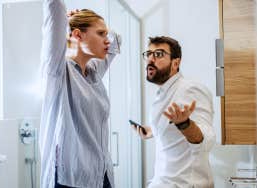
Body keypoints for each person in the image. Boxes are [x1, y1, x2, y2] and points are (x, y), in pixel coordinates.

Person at [39, 0, 121, 188]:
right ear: (77, 35)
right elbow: (54, 7)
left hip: (101, 176)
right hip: (71, 179)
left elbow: (117, 40)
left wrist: (77, 23)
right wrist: (65, 24)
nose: (106, 39)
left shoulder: (93, 72)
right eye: (101, 34)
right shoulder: (58, 72)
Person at [132, 36, 215, 188]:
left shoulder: (190, 89)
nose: (151, 59)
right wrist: (152, 131)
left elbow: (207, 140)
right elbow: (172, 127)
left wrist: (185, 124)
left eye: (158, 54)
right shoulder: (163, 92)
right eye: (149, 54)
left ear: (176, 63)